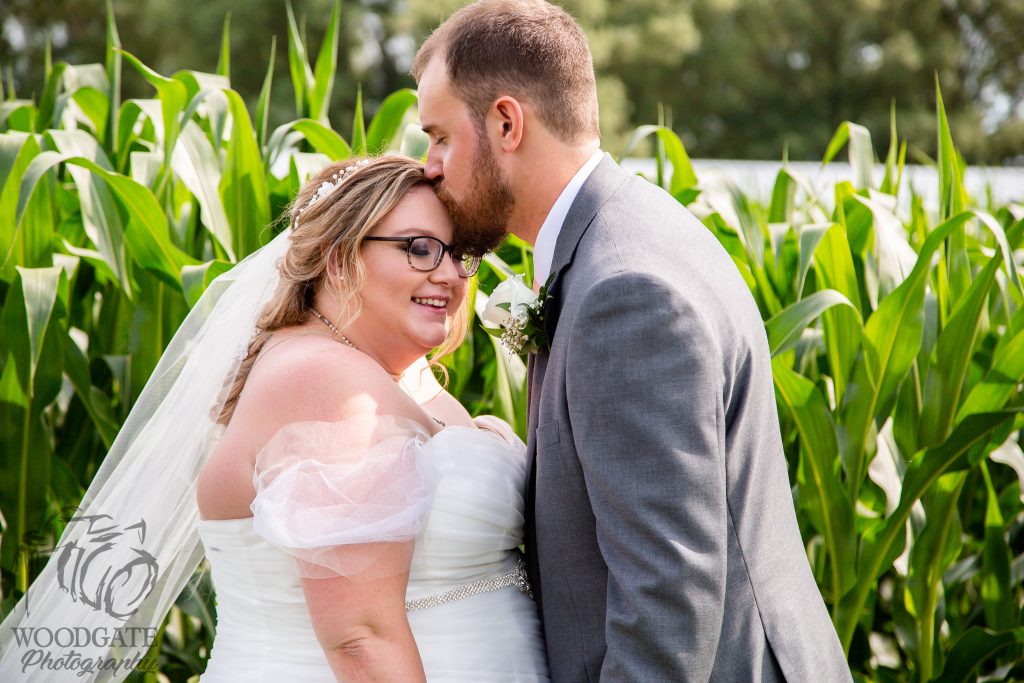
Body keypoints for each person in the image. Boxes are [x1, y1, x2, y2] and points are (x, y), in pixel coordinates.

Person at [412, 1, 852, 681]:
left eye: (439, 136)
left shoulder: (625, 292)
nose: (431, 165)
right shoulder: (625, 237)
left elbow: (667, 600)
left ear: (506, 122)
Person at [0, 155, 549, 682]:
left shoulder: (398, 374)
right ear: (338, 258)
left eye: (459, 255)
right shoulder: (319, 378)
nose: (451, 276)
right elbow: (360, 636)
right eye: (421, 249)